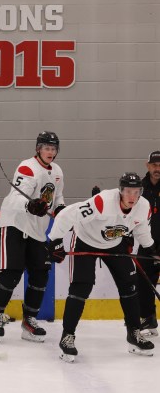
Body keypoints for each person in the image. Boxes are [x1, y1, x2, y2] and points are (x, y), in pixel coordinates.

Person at [47, 172, 156, 362]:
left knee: (129, 284)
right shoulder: (102, 202)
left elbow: (141, 228)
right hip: (85, 241)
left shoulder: (143, 206)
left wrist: (151, 248)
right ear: (120, 191)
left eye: (136, 192)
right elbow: (67, 215)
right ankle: (67, 336)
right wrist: (54, 240)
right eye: (128, 192)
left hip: (115, 244)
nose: (132, 197)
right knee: (81, 287)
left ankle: (134, 333)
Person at [0, 131, 65, 343]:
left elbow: (57, 198)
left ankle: (29, 320)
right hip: (14, 224)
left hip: (37, 231)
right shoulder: (27, 167)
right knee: (12, 273)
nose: (50, 152)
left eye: (53, 148)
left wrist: (61, 210)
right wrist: (29, 204)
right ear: (38, 149)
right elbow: (15, 198)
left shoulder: (57, 171)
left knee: (41, 274)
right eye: (46, 148)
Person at [137, 151, 160, 337]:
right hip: (147, 244)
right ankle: (148, 317)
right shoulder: (139, 188)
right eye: (154, 164)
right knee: (144, 282)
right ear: (148, 165)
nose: (157, 168)